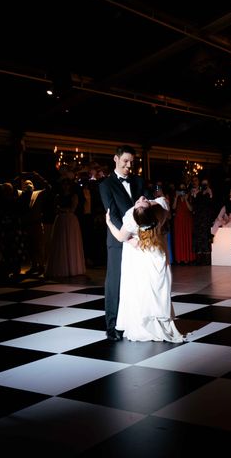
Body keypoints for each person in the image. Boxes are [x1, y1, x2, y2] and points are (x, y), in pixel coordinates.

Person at [105, 196, 185, 343]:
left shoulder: (131, 217)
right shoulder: (160, 210)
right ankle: (158, 321)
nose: (141, 197)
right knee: (155, 288)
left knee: (140, 289)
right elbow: (163, 200)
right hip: (156, 253)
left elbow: (121, 237)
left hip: (139, 255)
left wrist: (109, 223)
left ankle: (143, 323)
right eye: (142, 200)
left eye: (141, 201)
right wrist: (150, 203)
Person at [99, 145, 146, 341]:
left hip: (140, 240)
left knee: (135, 283)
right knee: (115, 283)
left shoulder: (138, 181)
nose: (129, 166)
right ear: (116, 159)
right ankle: (112, 325)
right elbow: (113, 215)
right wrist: (127, 237)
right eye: (125, 161)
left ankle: (132, 322)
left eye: (132, 162)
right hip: (119, 240)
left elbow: (147, 205)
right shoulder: (105, 185)